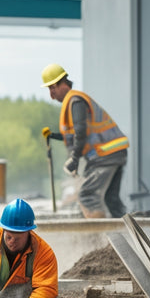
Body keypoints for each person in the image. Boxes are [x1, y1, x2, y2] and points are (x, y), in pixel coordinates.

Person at [41, 63, 129, 218]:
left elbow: (80, 132)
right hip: (114, 152)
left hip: (104, 154)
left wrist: (74, 159)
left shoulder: (75, 101)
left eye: (52, 88)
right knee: (111, 200)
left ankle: (98, 238)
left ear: (61, 84)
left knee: (87, 195)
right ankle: (131, 231)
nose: (51, 95)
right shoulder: (74, 102)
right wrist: (54, 136)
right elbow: (79, 133)